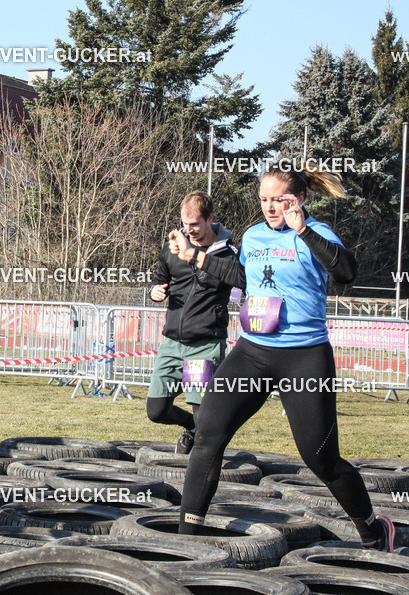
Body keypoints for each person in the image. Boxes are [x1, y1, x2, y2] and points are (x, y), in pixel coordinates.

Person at [177, 165, 394, 552]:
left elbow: (346, 273)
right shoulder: (254, 235)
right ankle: (184, 542)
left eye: (278, 199)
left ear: (299, 199)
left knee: (321, 458)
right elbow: (244, 277)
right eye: (264, 199)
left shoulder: (316, 233)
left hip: (304, 357)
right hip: (252, 352)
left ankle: (374, 529)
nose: (270, 207)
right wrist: (197, 257)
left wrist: (303, 228)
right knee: (208, 433)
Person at [147, 191, 245, 454]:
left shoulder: (228, 254)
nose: (188, 230)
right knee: (156, 411)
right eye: (184, 224)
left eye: (195, 224)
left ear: (210, 219)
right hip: (171, 344)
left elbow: (242, 280)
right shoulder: (172, 247)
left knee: (204, 415)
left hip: (204, 345)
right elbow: (159, 278)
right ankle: (190, 426)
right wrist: (155, 291)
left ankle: (201, 453)